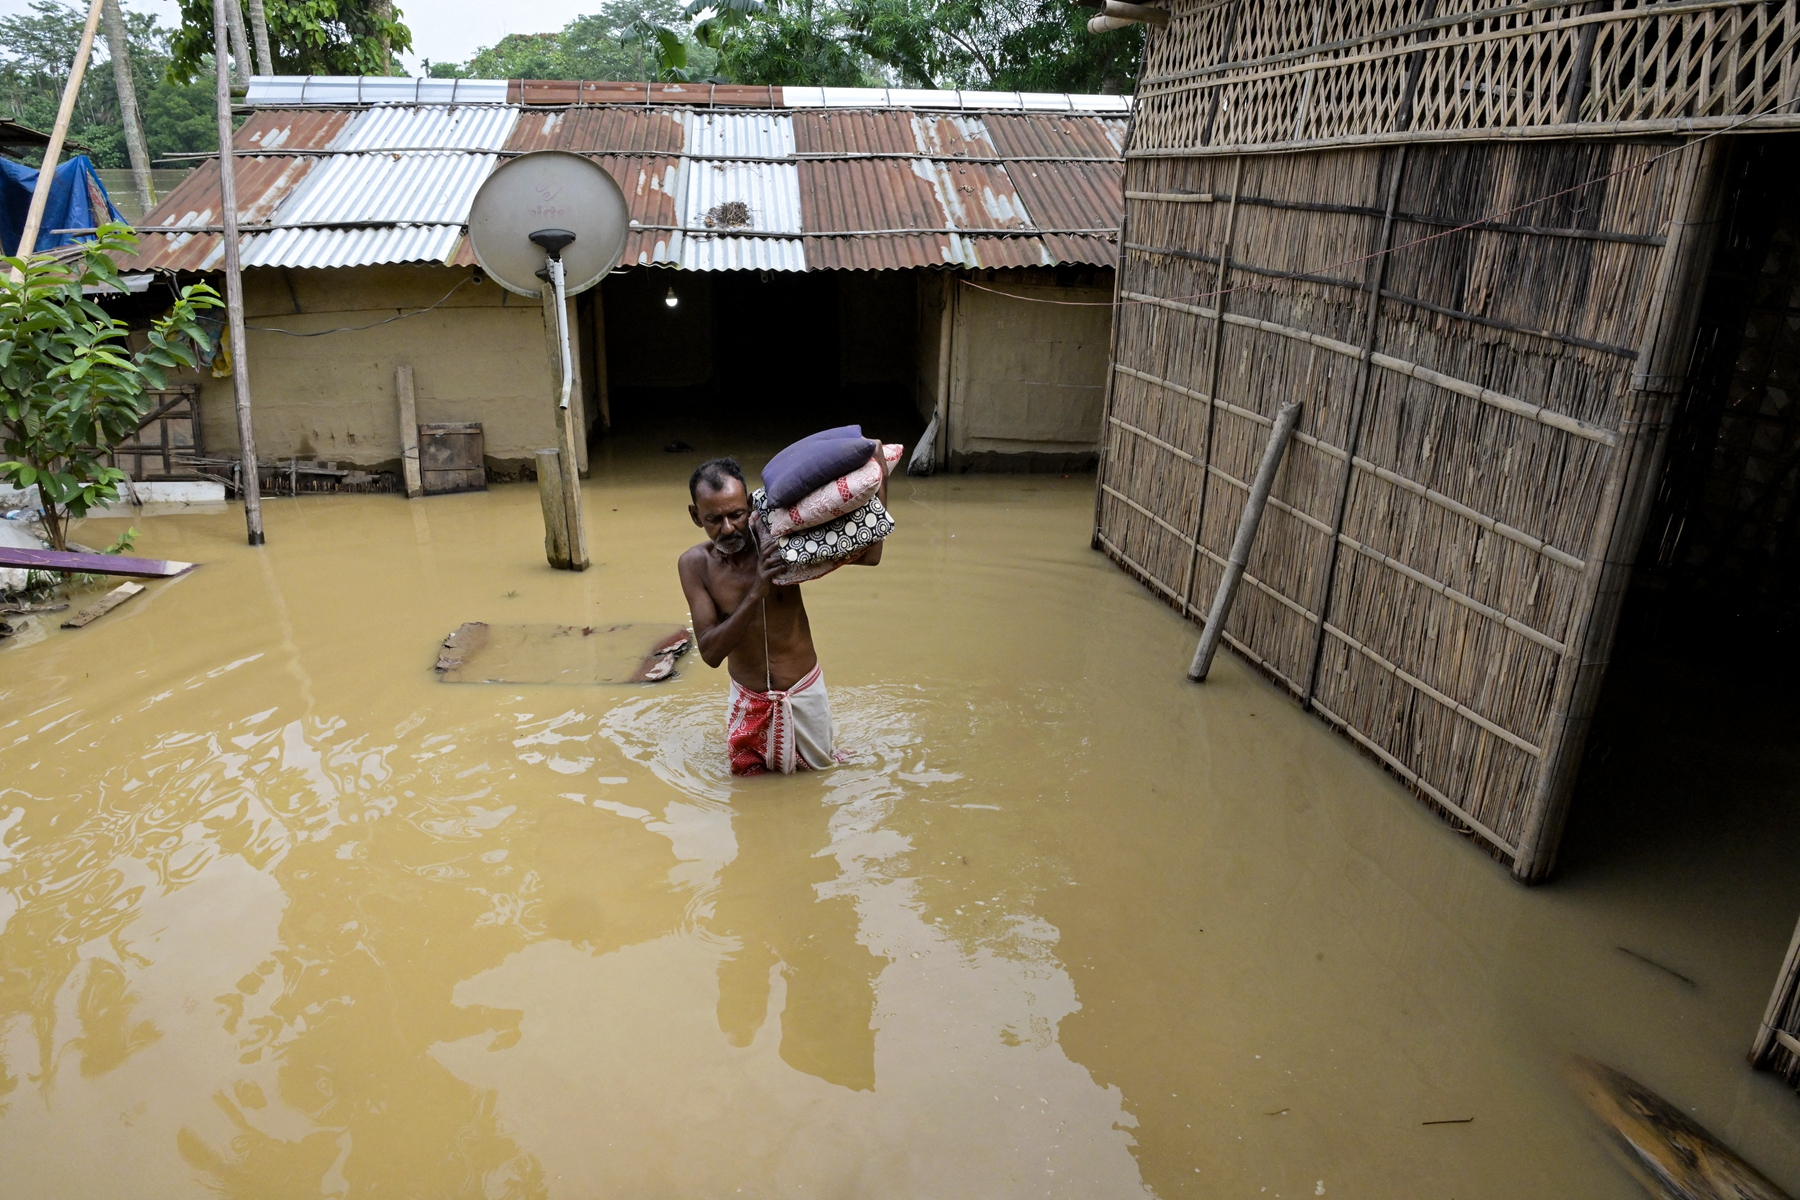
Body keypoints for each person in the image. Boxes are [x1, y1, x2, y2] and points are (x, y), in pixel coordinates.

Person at [678, 455, 884, 775]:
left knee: (819, 781)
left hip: (804, 693)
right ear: (695, 516)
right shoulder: (695, 565)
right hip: (747, 700)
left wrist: (880, 470)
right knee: (746, 792)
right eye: (714, 519)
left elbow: (871, 555)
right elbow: (710, 653)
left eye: (736, 515)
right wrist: (757, 592)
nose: (728, 528)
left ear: (750, 505)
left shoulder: (781, 539)